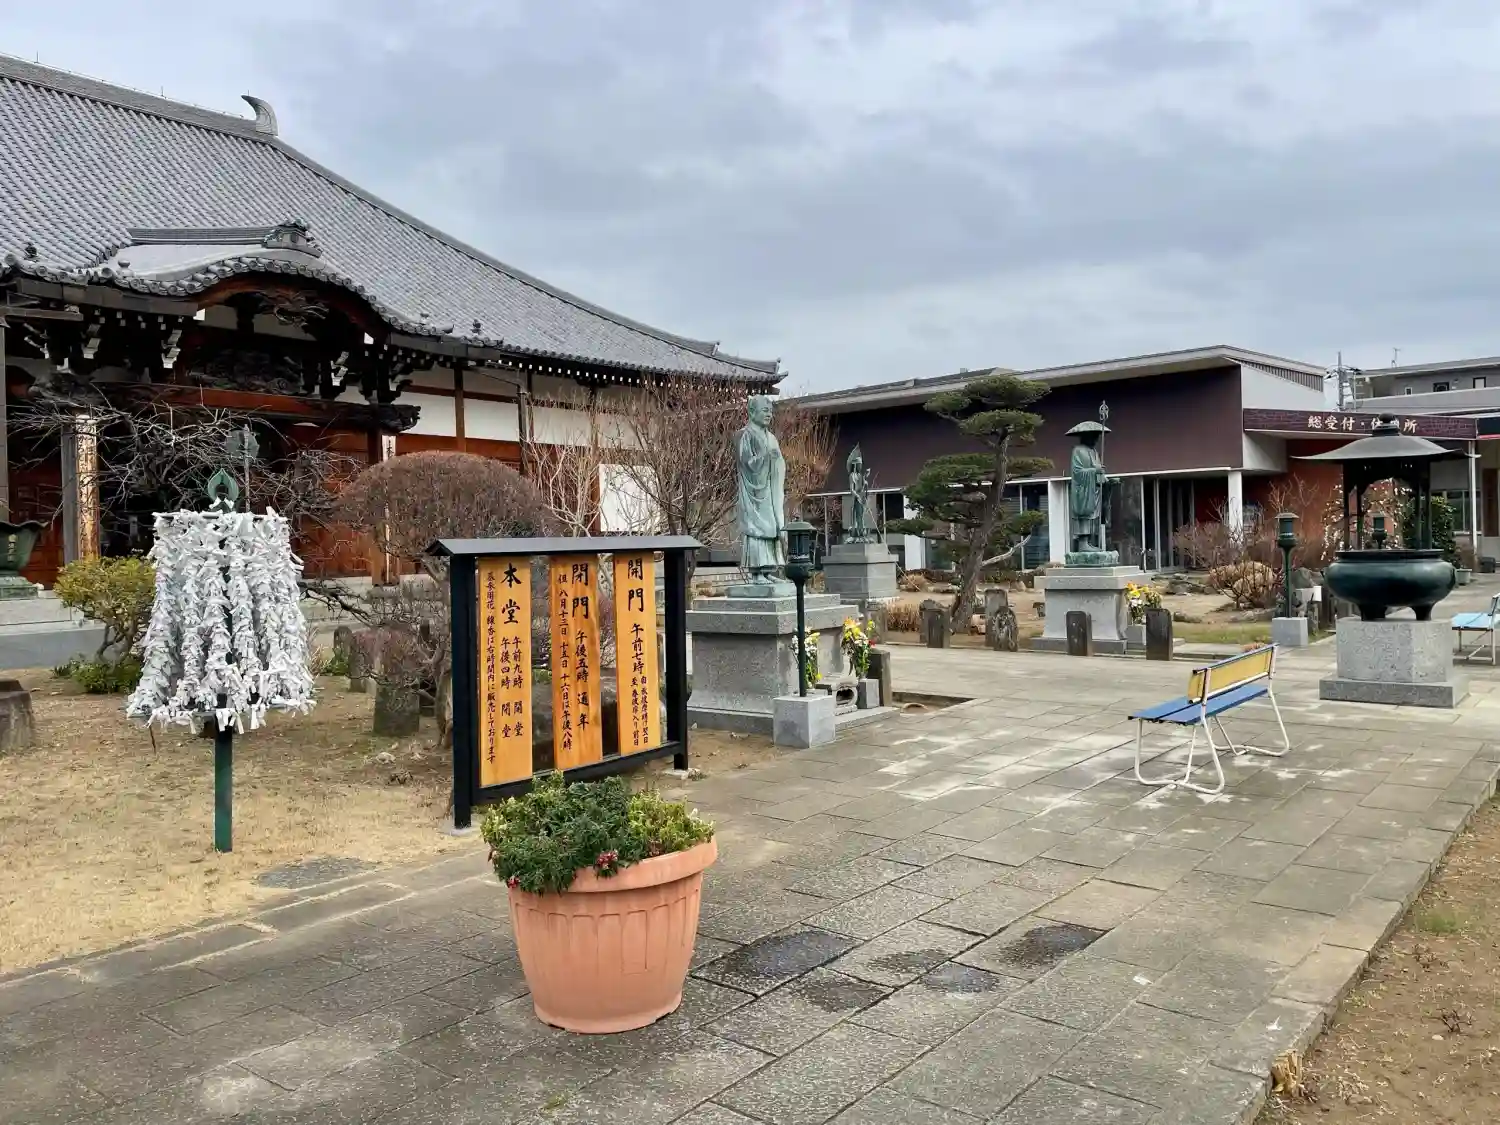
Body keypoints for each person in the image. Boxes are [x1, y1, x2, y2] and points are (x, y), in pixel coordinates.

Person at [736, 396, 786, 582]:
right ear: (751, 412)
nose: (769, 414)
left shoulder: (771, 437)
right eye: (765, 410)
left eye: (770, 411)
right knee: (757, 531)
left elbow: (779, 463)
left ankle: (768, 571)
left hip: (770, 492)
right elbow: (746, 464)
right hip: (755, 494)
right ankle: (756, 573)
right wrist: (765, 457)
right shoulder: (745, 435)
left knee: (772, 528)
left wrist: (776, 461)